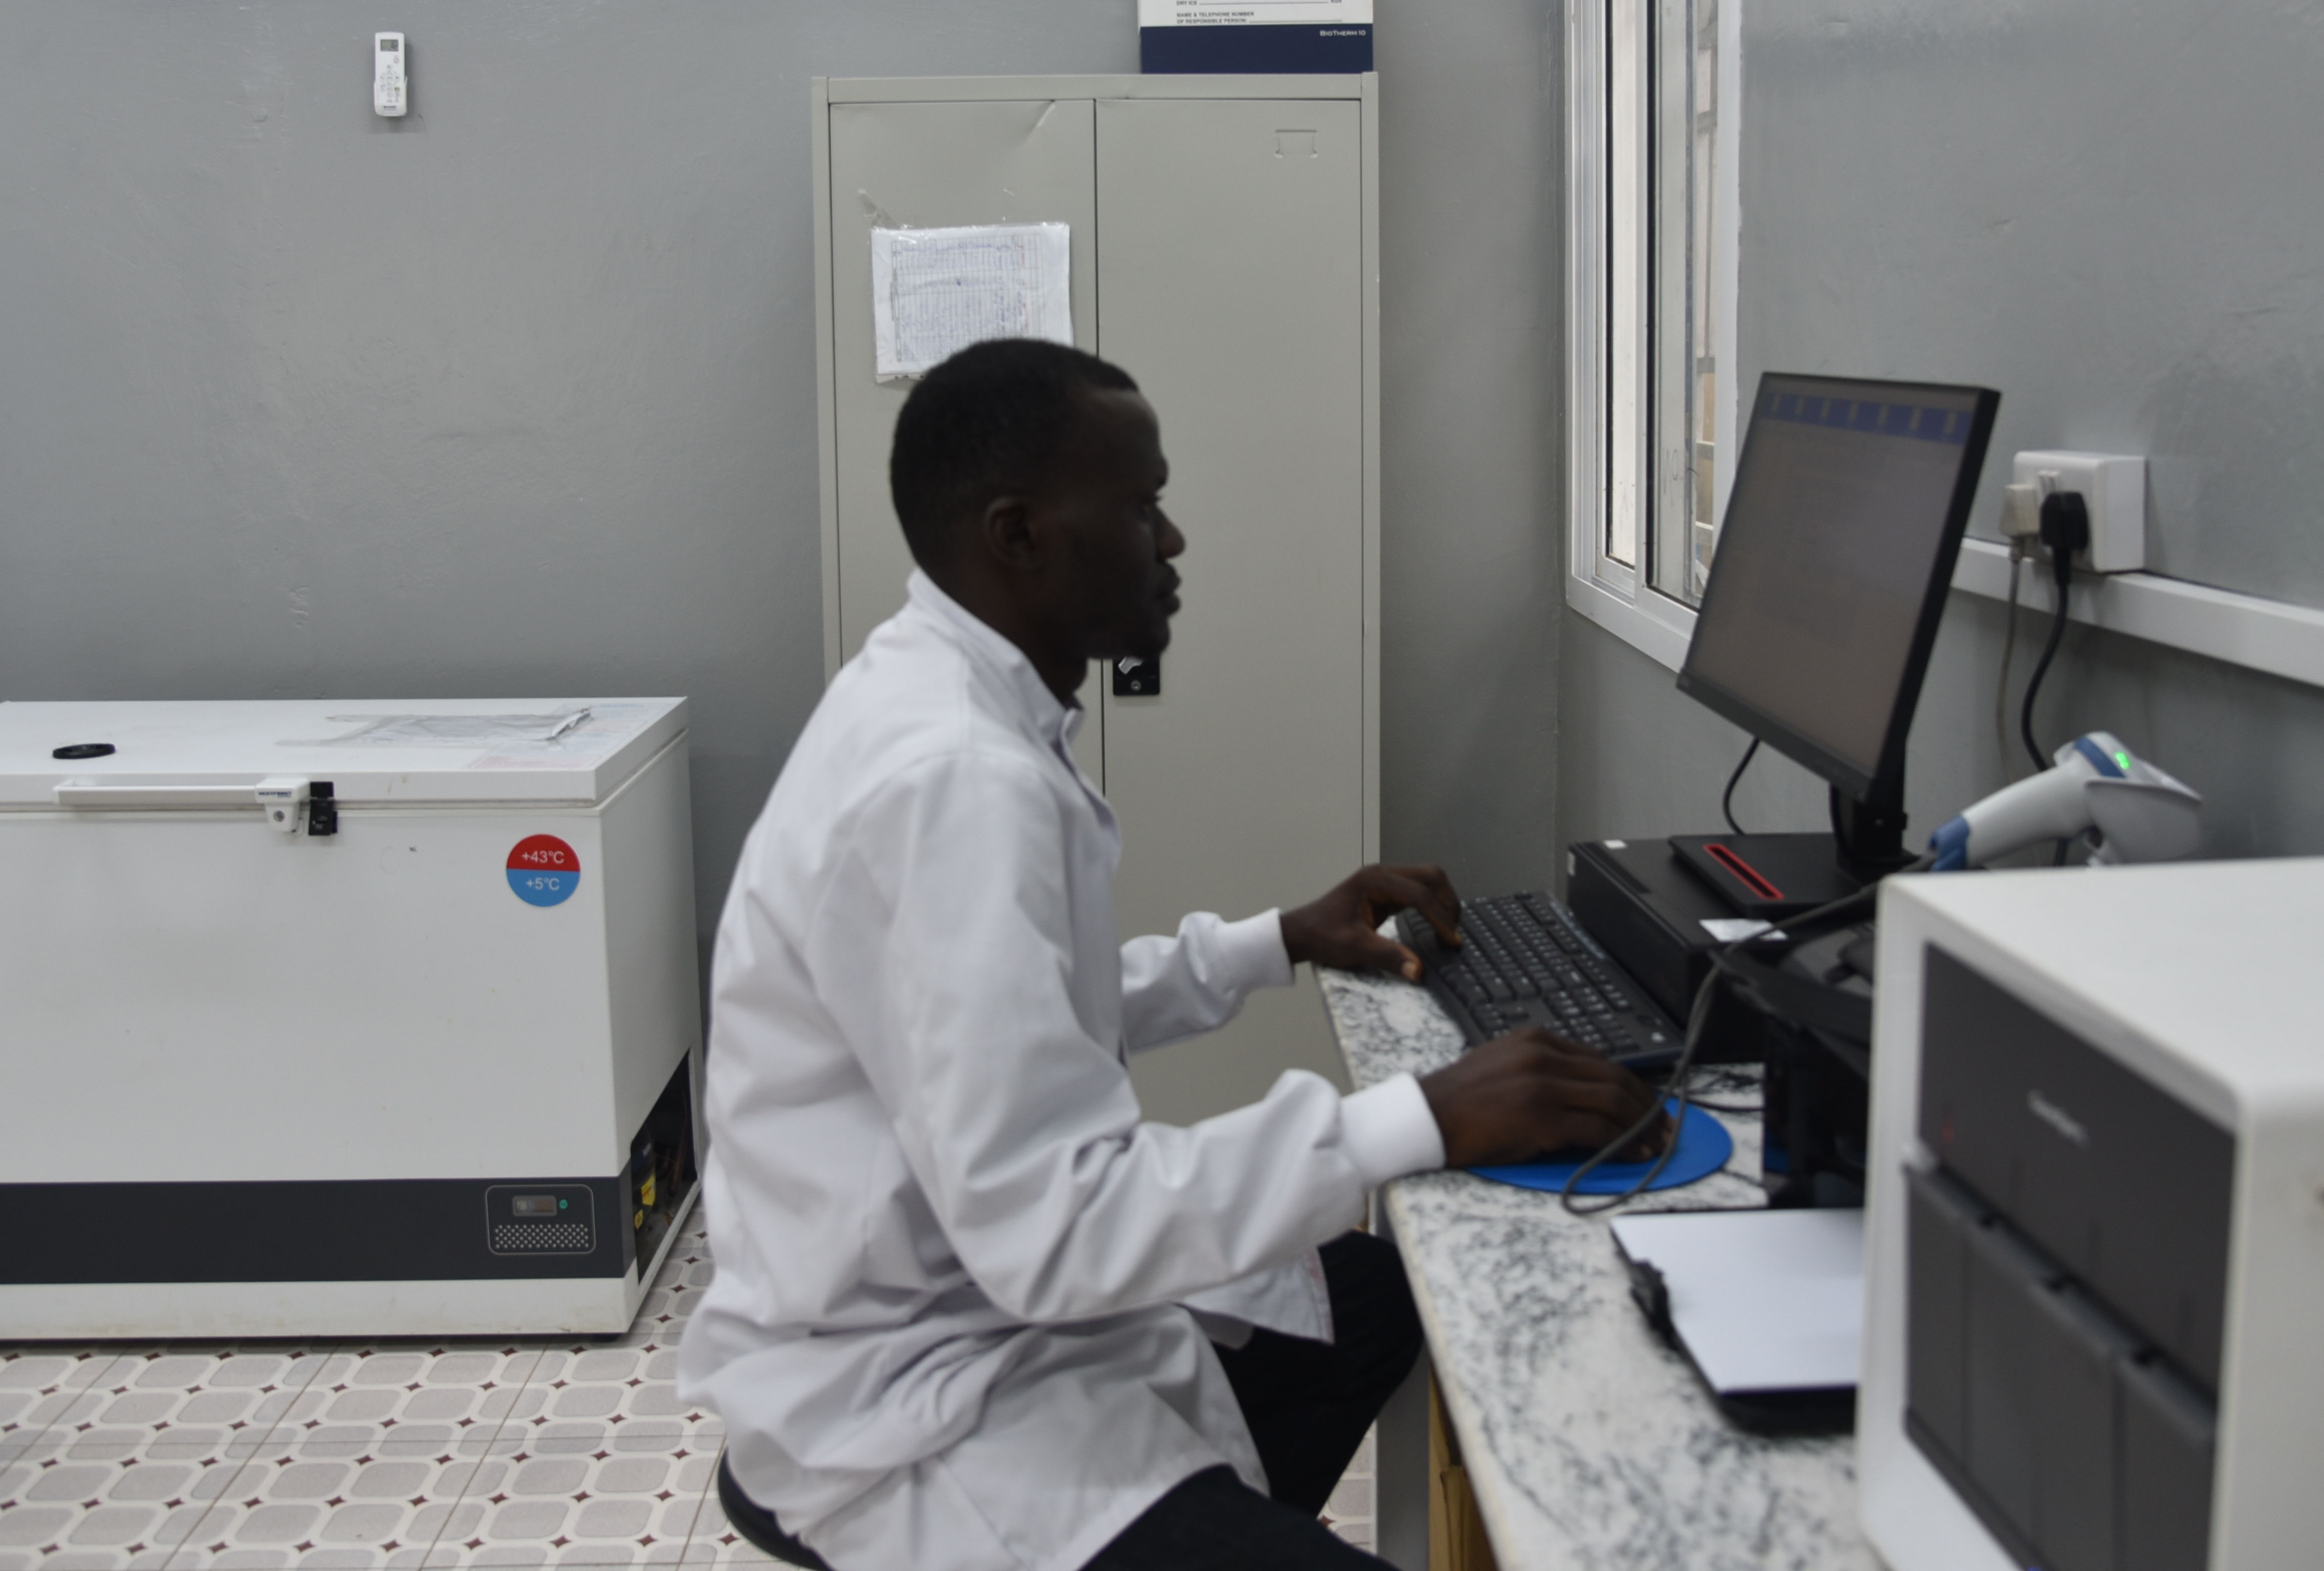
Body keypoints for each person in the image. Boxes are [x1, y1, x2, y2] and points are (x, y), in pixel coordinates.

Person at [680, 338, 1654, 1571]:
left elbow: (1024, 1010)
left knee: (1376, 1299)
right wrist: (1419, 1115)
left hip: (960, 1298)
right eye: (1142, 506)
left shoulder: (943, 691)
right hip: (911, 1401)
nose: (1173, 540)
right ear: (1018, 535)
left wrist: (1275, 941)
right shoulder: (951, 780)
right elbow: (1057, 1228)